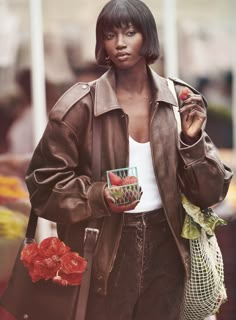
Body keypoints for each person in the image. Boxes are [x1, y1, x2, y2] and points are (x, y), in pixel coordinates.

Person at [25, 0, 233, 319]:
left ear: (147, 37)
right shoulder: (79, 106)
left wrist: (191, 142)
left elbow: (211, 193)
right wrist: (98, 195)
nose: (120, 43)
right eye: (110, 35)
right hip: (103, 249)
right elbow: (43, 186)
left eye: (130, 32)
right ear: (102, 43)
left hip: (168, 245)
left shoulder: (178, 100)